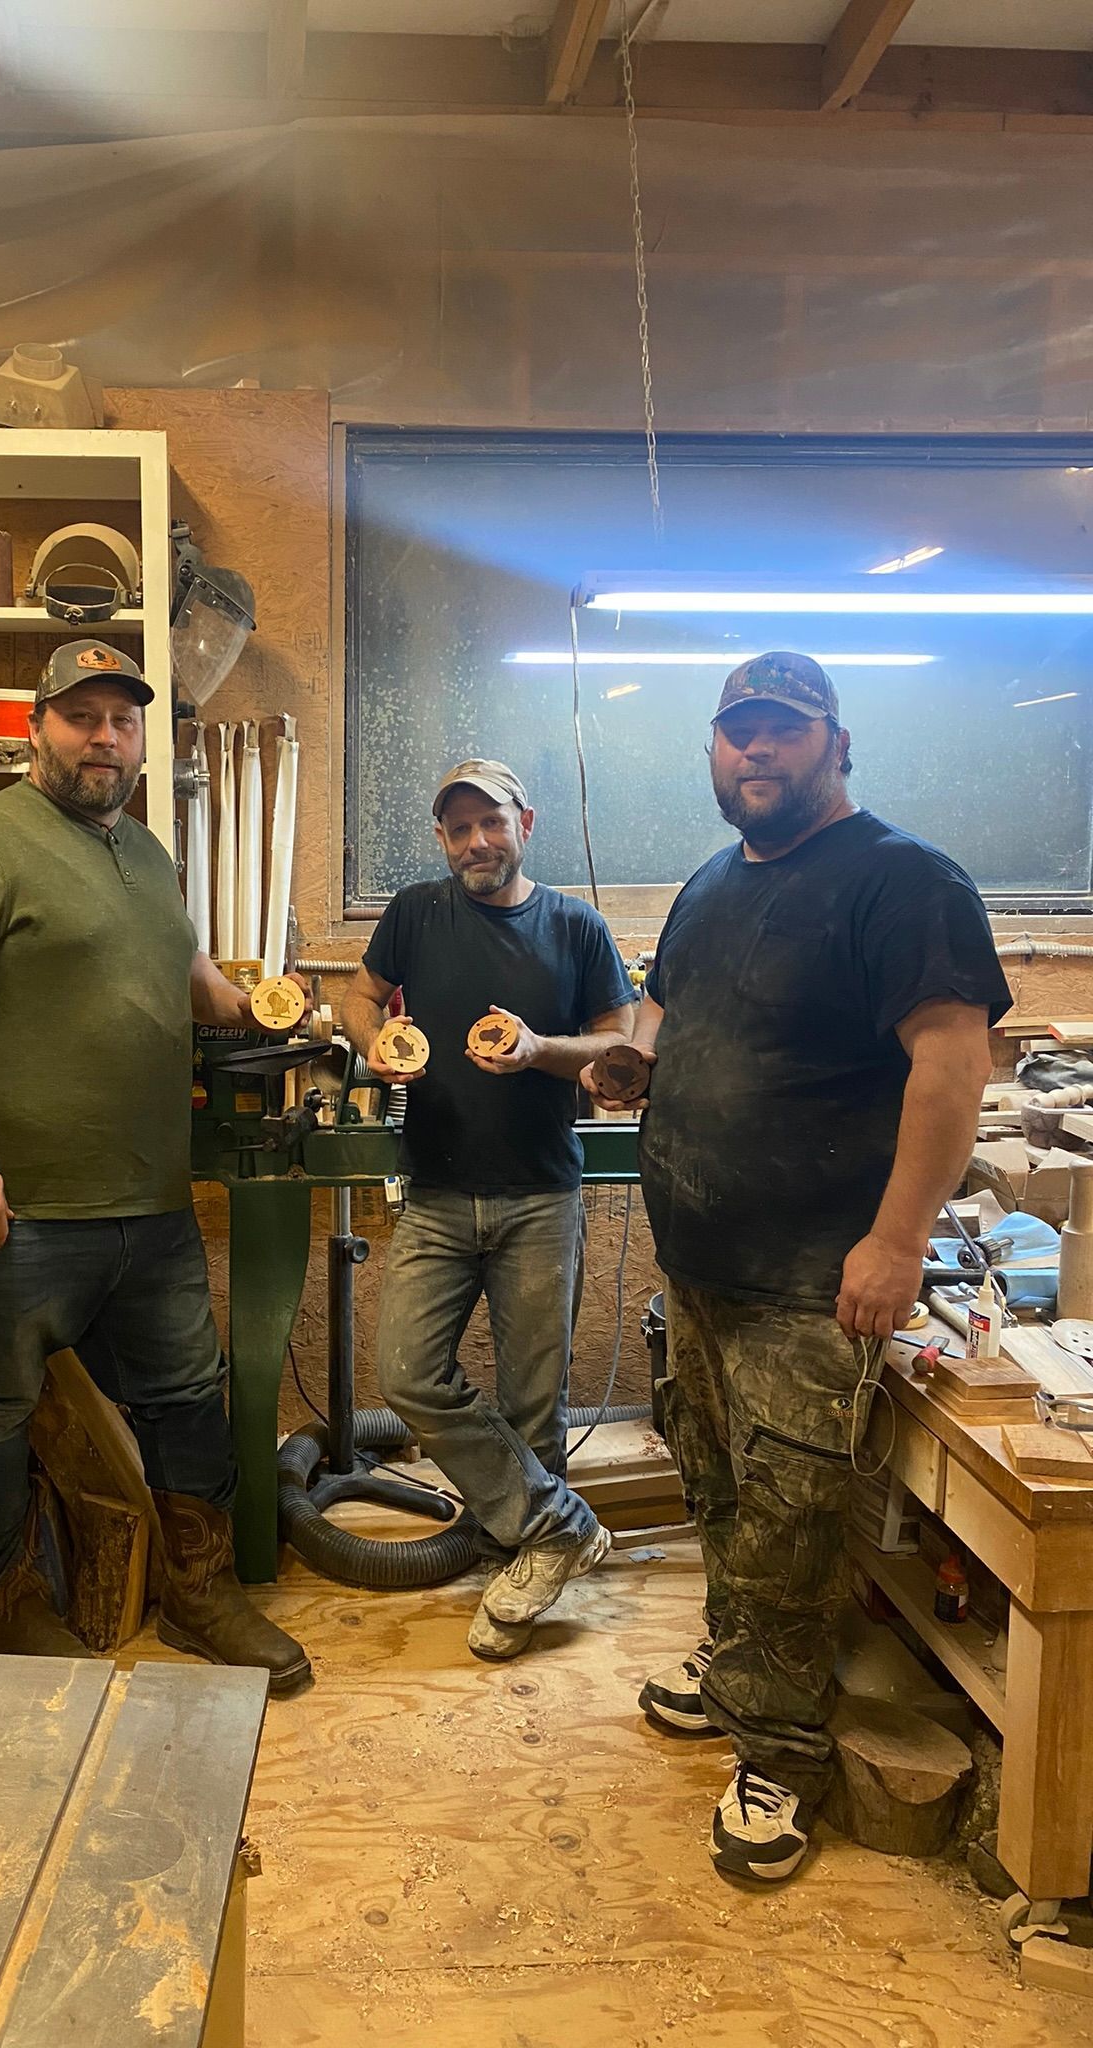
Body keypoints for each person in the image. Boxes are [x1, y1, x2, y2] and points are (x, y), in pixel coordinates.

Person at [585, 651, 1011, 1886]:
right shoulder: (713, 884)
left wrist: (894, 1240)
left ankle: (781, 1754)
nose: (755, 751)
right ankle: (735, 1668)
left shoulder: (903, 880)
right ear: (713, 751)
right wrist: (626, 1060)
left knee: (790, 1516)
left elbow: (952, 1066)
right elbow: (662, 1021)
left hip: (812, 1279)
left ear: (835, 742)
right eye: (736, 733)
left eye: (782, 730)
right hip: (706, 1266)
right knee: (716, 1485)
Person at [0, 638, 311, 1692]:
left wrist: (268, 1003)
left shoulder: (149, 852)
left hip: (148, 1201)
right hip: (13, 1207)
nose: (105, 737)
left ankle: (199, 1590)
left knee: (185, 1399)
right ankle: (12, 1607)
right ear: (39, 725)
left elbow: (188, 973)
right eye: (82, 716)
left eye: (123, 719)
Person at [342, 759, 637, 1661]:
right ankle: (558, 1526)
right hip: (433, 1191)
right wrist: (376, 1042)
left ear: (526, 823)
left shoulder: (576, 926)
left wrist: (543, 1047)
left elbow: (622, 1045)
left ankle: (523, 1574)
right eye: (459, 828)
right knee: (406, 1371)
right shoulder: (416, 913)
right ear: (441, 839)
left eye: (492, 823)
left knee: (533, 1402)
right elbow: (357, 997)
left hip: (542, 1193)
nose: (477, 841)